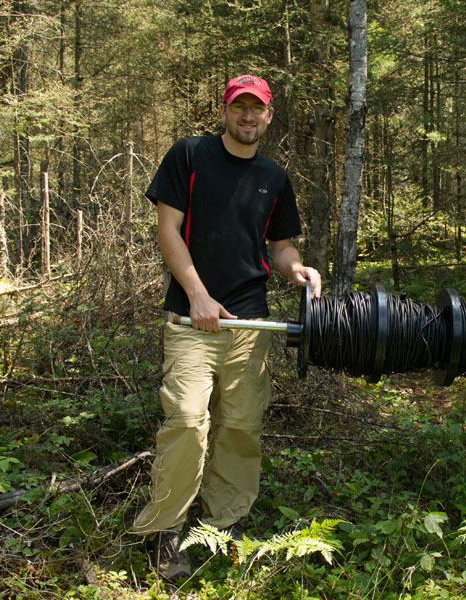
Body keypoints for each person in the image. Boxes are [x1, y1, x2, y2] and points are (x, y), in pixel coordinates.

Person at [131, 74, 321, 580]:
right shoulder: (189, 156)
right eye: (239, 107)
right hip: (191, 320)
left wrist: (297, 269)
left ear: (269, 115)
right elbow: (167, 229)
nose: (247, 116)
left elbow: (279, 247)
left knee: (241, 428)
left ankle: (223, 525)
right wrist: (197, 294)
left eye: (256, 108)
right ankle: (165, 531)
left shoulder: (275, 178)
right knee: (188, 423)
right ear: (224, 111)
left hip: (251, 323)